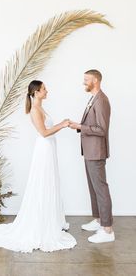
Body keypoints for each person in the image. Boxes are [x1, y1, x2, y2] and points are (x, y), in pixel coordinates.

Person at [0, 80, 77, 252]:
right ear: (35, 92)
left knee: (50, 182)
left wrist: (61, 123)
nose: (47, 91)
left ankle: (50, 220)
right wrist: (62, 125)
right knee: (42, 183)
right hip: (44, 149)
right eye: (44, 89)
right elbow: (43, 132)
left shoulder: (40, 107)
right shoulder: (35, 110)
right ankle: (41, 224)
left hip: (49, 148)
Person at [69, 69, 115, 243]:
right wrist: (79, 126)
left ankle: (108, 230)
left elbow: (102, 130)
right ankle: (98, 220)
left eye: (86, 79)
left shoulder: (101, 100)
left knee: (101, 189)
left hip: (96, 152)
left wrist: (80, 127)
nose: (84, 83)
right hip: (90, 151)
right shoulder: (93, 98)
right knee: (94, 188)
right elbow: (92, 124)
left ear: (95, 80)